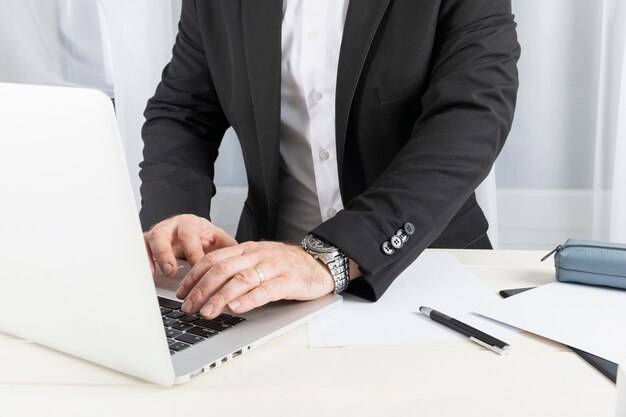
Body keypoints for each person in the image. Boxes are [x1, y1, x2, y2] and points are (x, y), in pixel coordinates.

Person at [140, 0, 520, 320]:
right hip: (267, 286)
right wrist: (175, 216)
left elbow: (472, 118)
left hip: (424, 271)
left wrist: (331, 256)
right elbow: (183, 112)